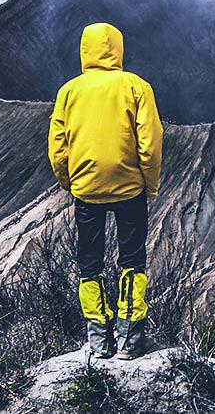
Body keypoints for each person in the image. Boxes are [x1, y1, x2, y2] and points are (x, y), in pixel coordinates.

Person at [48, 22, 164, 359]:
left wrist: (69, 182)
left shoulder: (68, 92)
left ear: (85, 51)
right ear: (117, 48)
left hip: (87, 191)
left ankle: (99, 341)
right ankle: (128, 341)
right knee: (131, 260)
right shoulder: (136, 87)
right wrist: (149, 183)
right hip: (129, 190)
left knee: (89, 264)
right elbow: (150, 143)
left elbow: (58, 147)